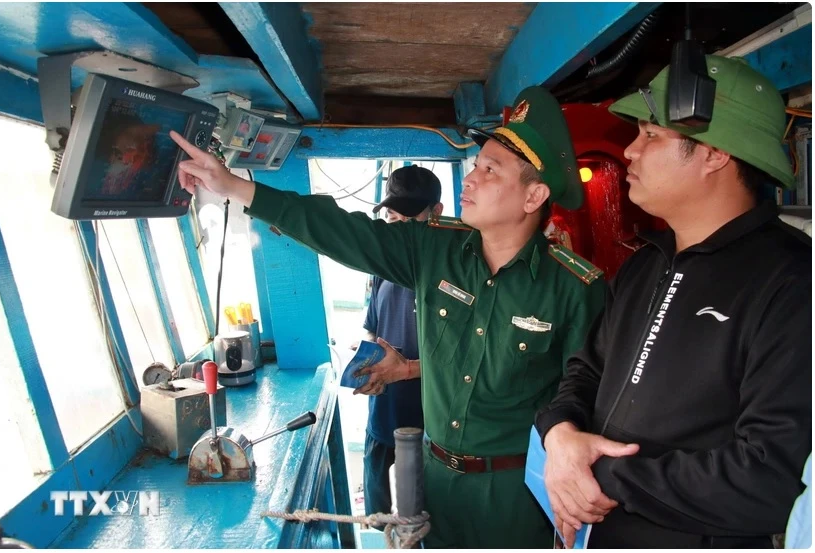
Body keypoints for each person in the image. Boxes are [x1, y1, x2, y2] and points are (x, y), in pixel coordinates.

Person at [170, 84, 606, 548]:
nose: (471, 179)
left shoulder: (576, 289)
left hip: (515, 498)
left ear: (534, 195)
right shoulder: (432, 247)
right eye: (475, 166)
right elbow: (339, 230)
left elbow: (586, 400)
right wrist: (233, 186)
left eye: (490, 170)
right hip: (433, 484)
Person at [535, 55, 812, 548]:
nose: (631, 152)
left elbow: (771, 476)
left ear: (715, 154)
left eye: (651, 135)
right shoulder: (646, 263)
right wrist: (559, 434)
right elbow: (587, 372)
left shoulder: (791, 280)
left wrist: (599, 476)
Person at [354, 165, 443, 522]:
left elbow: (471, 360)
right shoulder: (382, 265)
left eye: (411, 216)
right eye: (393, 216)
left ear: (436, 213)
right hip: (383, 412)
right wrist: (366, 367)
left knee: (425, 518)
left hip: (433, 422)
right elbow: (373, 331)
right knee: (380, 516)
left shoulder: (454, 268)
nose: (400, 226)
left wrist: (408, 369)